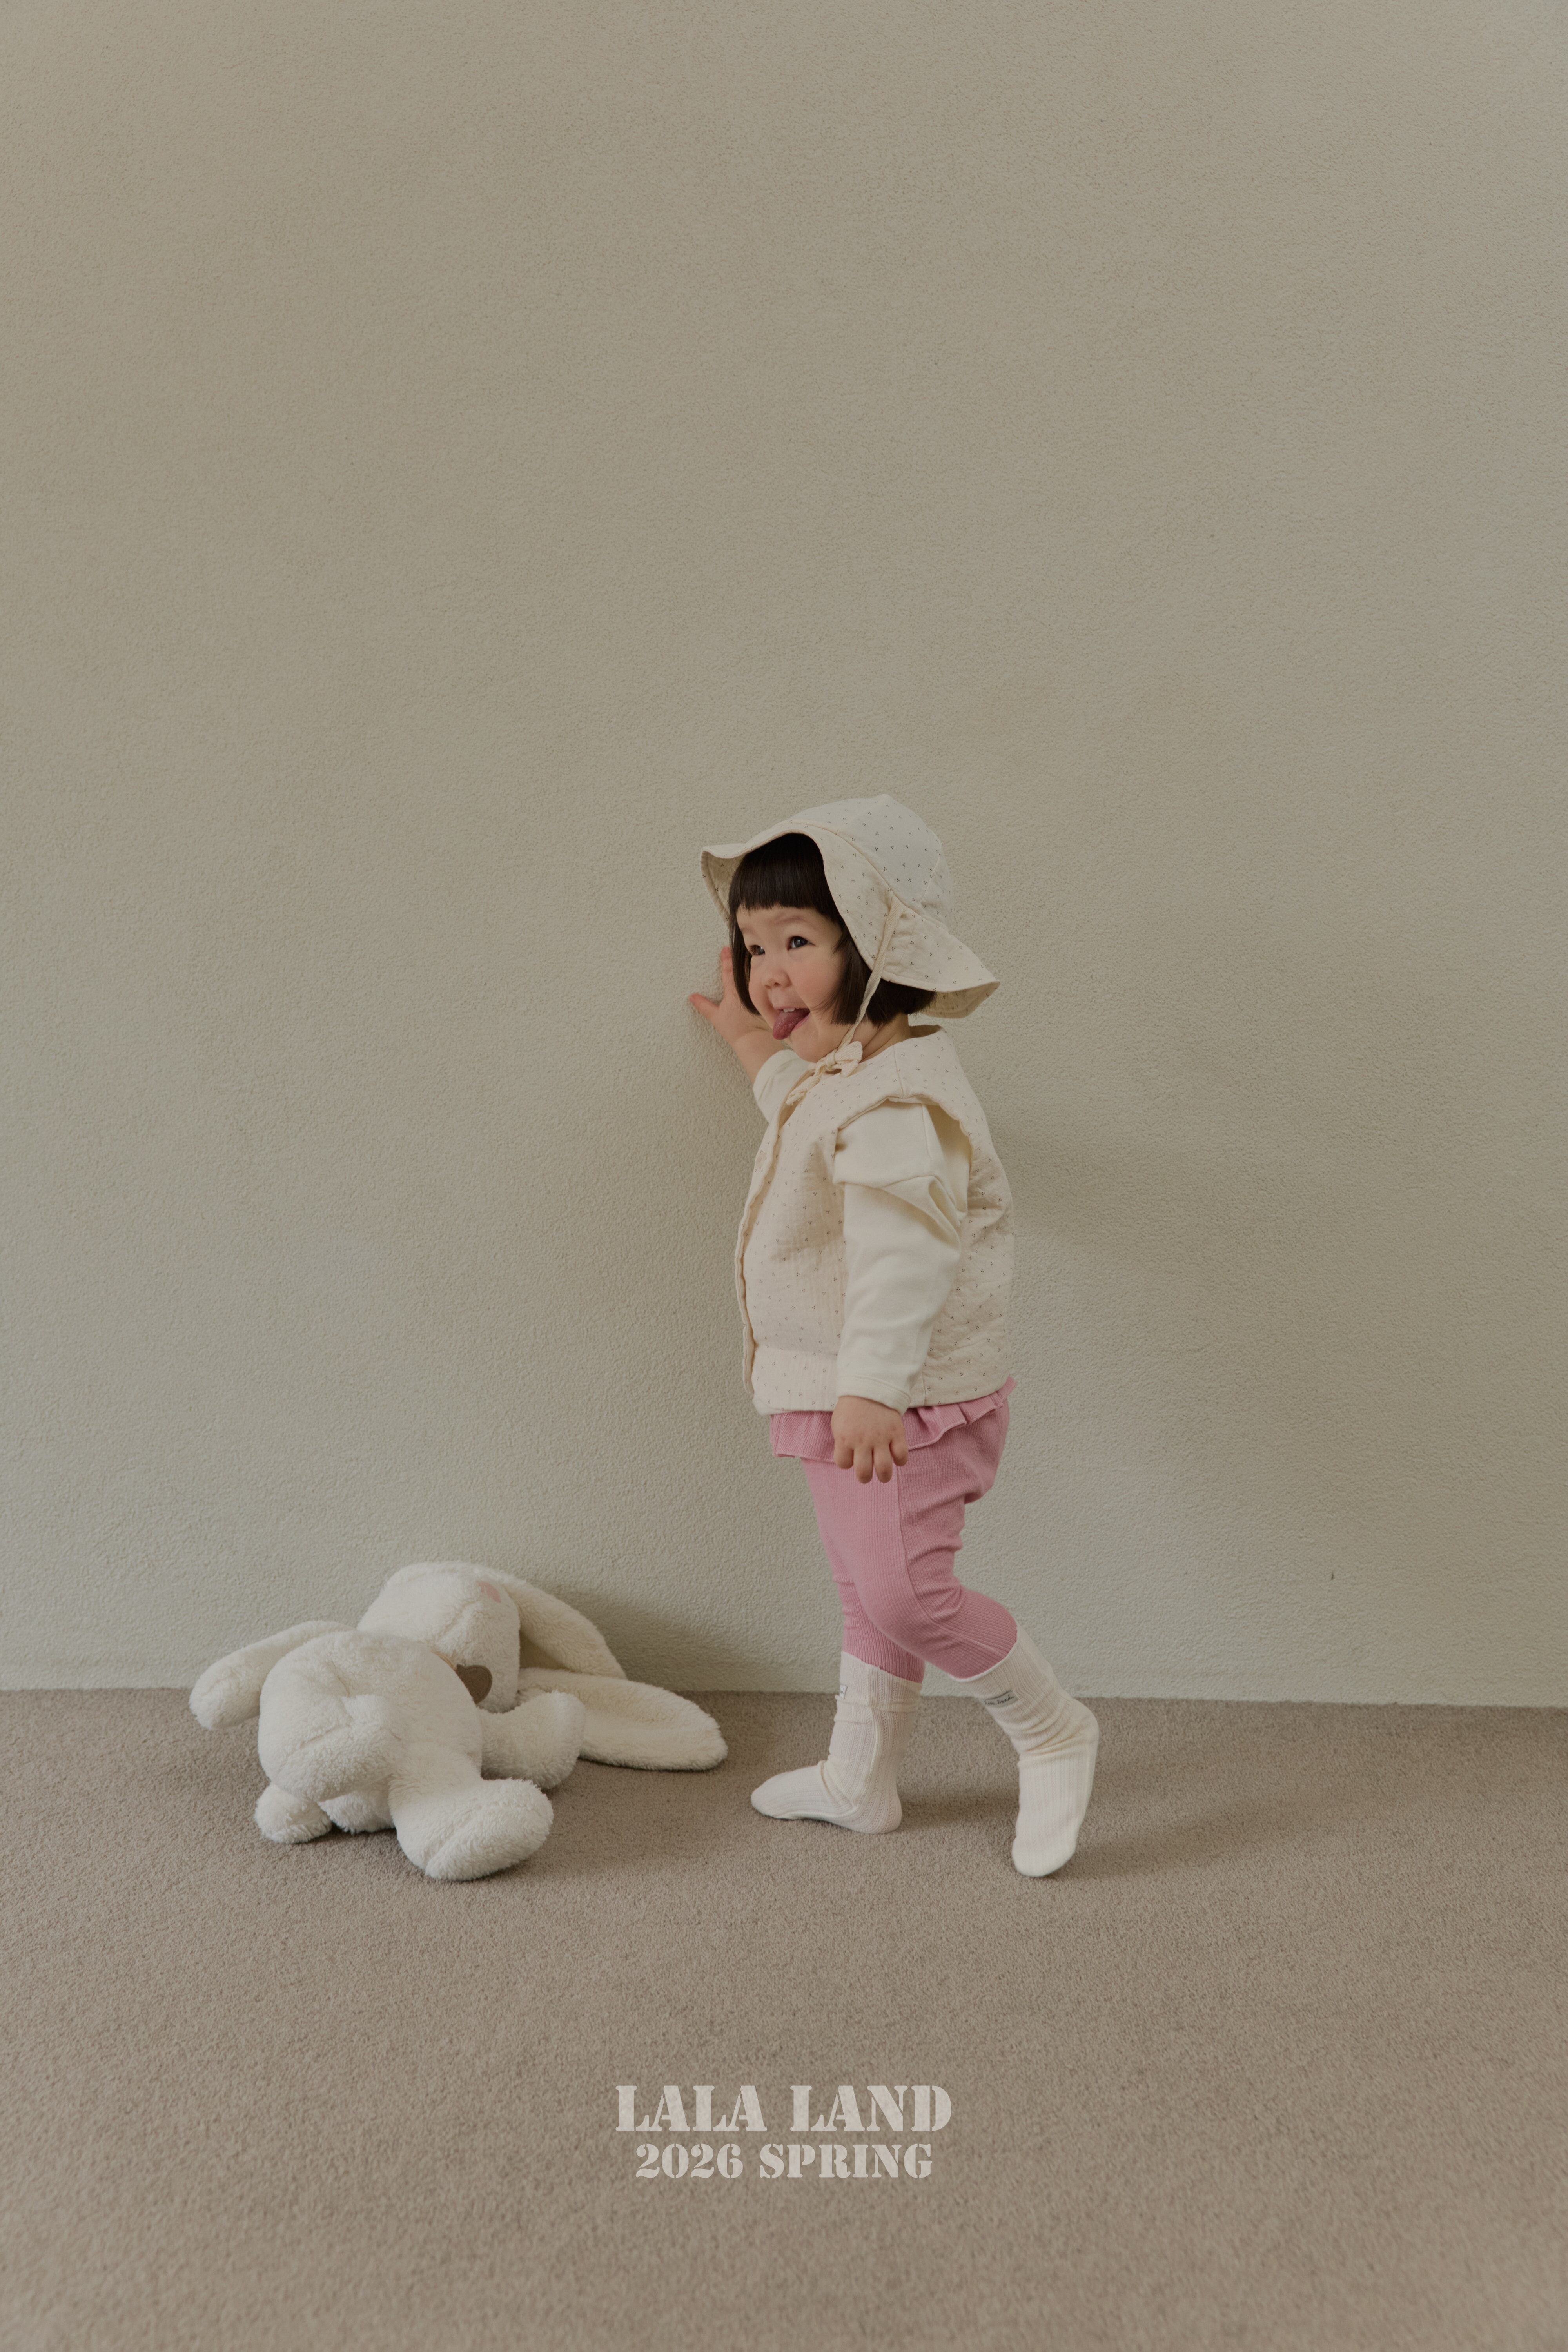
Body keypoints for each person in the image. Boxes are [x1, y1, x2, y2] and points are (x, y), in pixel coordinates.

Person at [687, 794, 1098, 1878]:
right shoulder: (852, 1076)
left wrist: (871, 1388)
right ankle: (858, 1778)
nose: (770, 971)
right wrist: (747, 1037)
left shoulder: (900, 1105)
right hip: (847, 1397)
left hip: (904, 1403)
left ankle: (1052, 1726)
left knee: (910, 1594)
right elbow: (796, 1103)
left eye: (798, 942)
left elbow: (905, 1255)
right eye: (755, 947)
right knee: (865, 1591)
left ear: (877, 948)